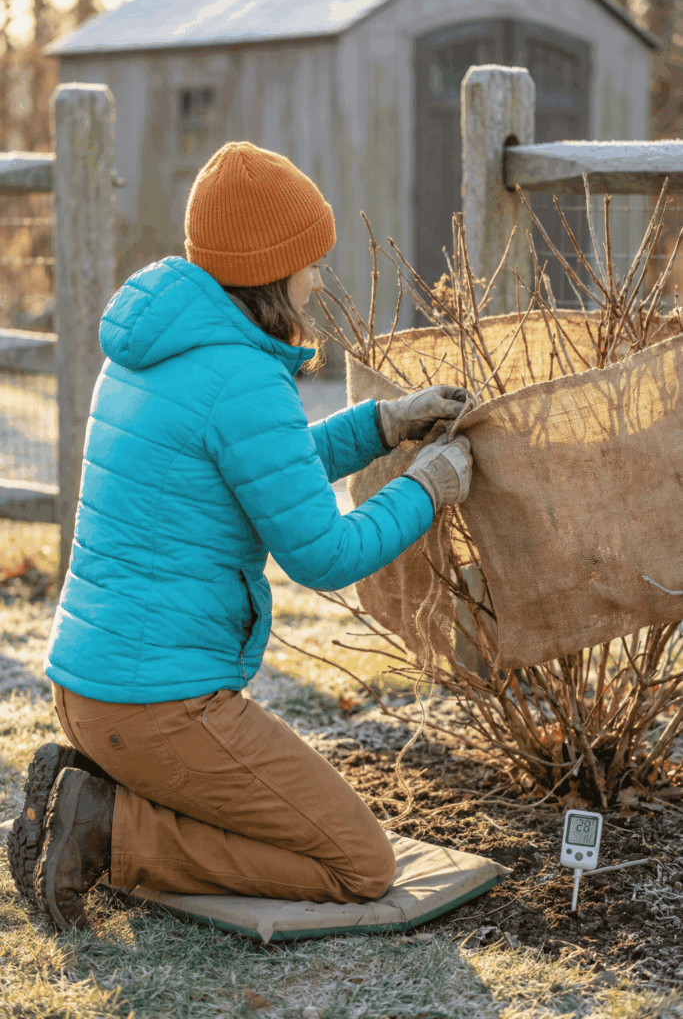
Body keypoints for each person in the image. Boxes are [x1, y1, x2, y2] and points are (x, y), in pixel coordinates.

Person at [8, 142, 473, 930]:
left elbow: (262, 471)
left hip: (91, 691)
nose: (320, 282)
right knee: (359, 865)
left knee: (312, 837)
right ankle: (105, 831)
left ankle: (101, 802)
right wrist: (430, 488)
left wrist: (382, 425)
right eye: (311, 263)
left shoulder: (159, 351)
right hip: (158, 709)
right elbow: (324, 555)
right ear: (271, 268)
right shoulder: (242, 377)